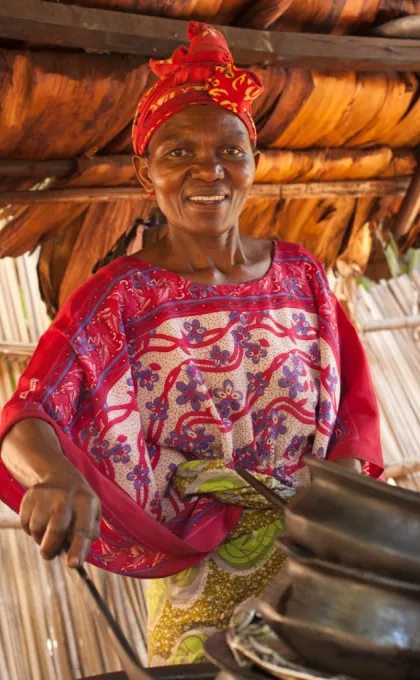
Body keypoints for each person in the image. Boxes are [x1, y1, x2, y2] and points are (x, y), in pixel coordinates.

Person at [0, 22, 383, 667]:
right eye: (178, 153)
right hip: (202, 584)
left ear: (253, 164)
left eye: (230, 150)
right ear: (146, 175)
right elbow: (26, 417)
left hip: (320, 574)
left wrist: (336, 536)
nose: (209, 169)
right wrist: (54, 475)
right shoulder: (117, 298)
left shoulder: (303, 278)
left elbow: (353, 420)